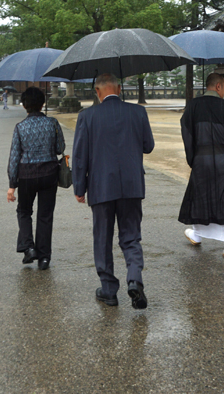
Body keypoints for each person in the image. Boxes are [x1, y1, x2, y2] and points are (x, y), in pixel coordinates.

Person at [72, 73, 154, 309]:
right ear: (119, 88)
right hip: (132, 186)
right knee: (131, 237)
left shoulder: (86, 116)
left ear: (97, 92)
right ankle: (135, 279)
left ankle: (108, 290)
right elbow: (148, 146)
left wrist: (79, 187)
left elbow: (80, 156)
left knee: (102, 238)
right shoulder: (138, 112)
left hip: (101, 186)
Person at [179, 72, 224, 260]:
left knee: (200, 197)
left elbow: (186, 132)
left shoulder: (193, 106)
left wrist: (193, 156)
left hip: (201, 159)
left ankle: (197, 234)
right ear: (218, 86)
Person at [6, 86, 66, 270]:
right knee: (45, 215)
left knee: (24, 211)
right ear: (43, 104)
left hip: (26, 175)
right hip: (49, 173)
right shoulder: (53, 123)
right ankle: (44, 258)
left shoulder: (20, 127)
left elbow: (14, 157)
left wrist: (12, 185)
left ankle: (29, 248)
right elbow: (60, 149)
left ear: (24, 106)